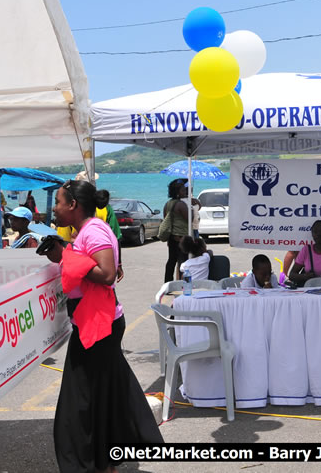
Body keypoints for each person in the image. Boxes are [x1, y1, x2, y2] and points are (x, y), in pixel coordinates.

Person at [38, 179, 163, 472]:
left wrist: (65, 256)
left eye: (58, 202)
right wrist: (68, 249)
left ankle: (93, 462)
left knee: (80, 401)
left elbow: (107, 274)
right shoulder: (89, 231)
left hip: (97, 324)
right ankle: (107, 462)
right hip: (96, 320)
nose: (54, 208)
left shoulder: (93, 230)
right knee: (102, 396)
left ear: (73, 205)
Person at [162, 179, 193, 282]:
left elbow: (166, 219)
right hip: (182, 237)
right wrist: (191, 208)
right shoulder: (181, 205)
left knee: (171, 261)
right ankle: (182, 283)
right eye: (183, 190)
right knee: (183, 262)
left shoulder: (168, 204)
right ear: (178, 192)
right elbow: (190, 219)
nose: (185, 192)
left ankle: (167, 283)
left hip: (172, 237)